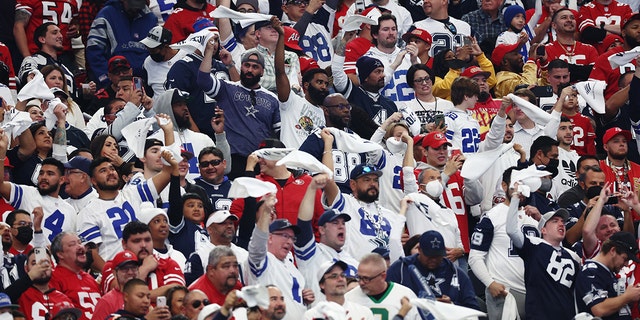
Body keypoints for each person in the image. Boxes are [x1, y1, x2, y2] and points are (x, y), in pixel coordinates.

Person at [197, 35, 281, 180]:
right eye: (246, 65)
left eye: (255, 67)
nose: (249, 70)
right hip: (232, 159)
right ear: (241, 66)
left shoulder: (272, 98)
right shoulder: (227, 89)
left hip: (260, 162)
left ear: (262, 72)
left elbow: (280, 133)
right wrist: (209, 51)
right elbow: (203, 80)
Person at [77, 151, 177, 268]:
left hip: (146, 264)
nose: (110, 173)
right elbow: (91, 253)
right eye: (103, 171)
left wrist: (168, 160)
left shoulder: (133, 193)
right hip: (117, 269)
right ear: (93, 181)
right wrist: (110, 276)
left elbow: (166, 173)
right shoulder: (88, 212)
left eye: (112, 169)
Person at [468, 167, 539, 319]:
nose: (520, 189)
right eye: (516, 184)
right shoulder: (492, 216)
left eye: (524, 184)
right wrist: (490, 283)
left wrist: (542, 220)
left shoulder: (533, 215)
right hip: (504, 290)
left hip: (533, 291)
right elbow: (475, 257)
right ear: (504, 186)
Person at [506, 186, 581, 319]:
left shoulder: (573, 257)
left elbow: (576, 293)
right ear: (543, 230)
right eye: (554, 221)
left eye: (563, 222)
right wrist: (516, 198)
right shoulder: (533, 245)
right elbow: (512, 230)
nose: (561, 224)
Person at [245, 194, 313, 320]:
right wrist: (265, 212)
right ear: (269, 237)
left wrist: (305, 299)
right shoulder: (263, 261)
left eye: (292, 238)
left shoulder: (292, 268)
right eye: (285, 236)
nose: (289, 242)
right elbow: (257, 245)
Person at [0, 133, 76, 244]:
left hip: (54, 260)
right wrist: (1, 155)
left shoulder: (70, 210)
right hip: (29, 258)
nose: (44, 177)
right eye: (41, 173)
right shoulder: (27, 193)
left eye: (50, 174)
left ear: (61, 180)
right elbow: (1, 185)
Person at [294, 174, 360, 299]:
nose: (341, 227)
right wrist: (312, 188)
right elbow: (303, 223)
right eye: (335, 223)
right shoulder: (311, 254)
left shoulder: (353, 261)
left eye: (343, 223)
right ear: (322, 229)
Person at [387, 230, 479, 309]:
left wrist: (451, 306)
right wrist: (422, 304)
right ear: (419, 250)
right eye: (429, 256)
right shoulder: (401, 268)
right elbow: (386, 300)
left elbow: (473, 308)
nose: (434, 260)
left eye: (438, 256)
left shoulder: (455, 272)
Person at [101, 221, 185, 298]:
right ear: (124, 244)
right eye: (137, 241)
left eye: (147, 240)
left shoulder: (168, 263)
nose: (144, 245)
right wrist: (145, 268)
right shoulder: (112, 266)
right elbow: (119, 293)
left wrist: (140, 297)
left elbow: (178, 291)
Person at [87, 0, 157, 87]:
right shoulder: (106, 15)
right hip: (113, 86)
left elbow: (157, 52)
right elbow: (94, 51)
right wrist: (107, 80)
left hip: (144, 85)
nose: (135, 8)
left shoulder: (151, 19)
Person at [575, 231, 640, 318]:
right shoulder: (590, 272)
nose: (626, 264)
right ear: (613, 250)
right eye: (625, 259)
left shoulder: (608, 272)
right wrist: (627, 297)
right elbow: (599, 309)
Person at [345, 253, 420, 319]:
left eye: (366, 279)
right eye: (359, 277)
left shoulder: (406, 295)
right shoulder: (348, 298)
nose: (361, 283)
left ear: (383, 276)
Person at [185, 210, 248, 285]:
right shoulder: (199, 256)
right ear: (209, 229)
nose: (229, 226)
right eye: (223, 223)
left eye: (231, 223)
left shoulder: (244, 254)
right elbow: (193, 289)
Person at [8, 248, 73, 320]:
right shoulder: (19, 294)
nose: (40, 267)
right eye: (34, 263)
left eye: (45, 263)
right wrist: (30, 276)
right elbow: (4, 297)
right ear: (26, 269)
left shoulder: (64, 299)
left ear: (51, 267)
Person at [49, 232, 101, 320]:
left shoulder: (90, 279)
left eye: (80, 243)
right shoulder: (53, 277)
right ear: (60, 254)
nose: (80, 246)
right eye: (72, 244)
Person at [305, 260, 374, 319]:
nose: (340, 279)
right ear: (322, 284)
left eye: (343, 275)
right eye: (334, 276)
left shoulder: (364, 312)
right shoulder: (312, 316)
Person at [92, 250, 140, 320]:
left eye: (133, 268)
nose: (130, 272)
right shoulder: (106, 302)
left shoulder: (144, 298)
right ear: (114, 273)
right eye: (125, 269)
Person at [140, 26, 187, 97]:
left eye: (153, 50)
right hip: (156, 105)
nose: (150, 53)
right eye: (148, 49)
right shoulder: (147, 62)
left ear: (166, 47)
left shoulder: (185, 57)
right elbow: (147, 90)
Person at [599, 127, 640, 196]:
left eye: (624, 141)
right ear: (606, 147)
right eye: (616, 141)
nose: (622, 144)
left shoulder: (638, 169)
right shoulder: (598, 168)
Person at [107, 278, 172, 320]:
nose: (146, 301)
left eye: (148, 297)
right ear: (126, 297)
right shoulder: (114, 317)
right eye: (140, 296)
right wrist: (147, 319)